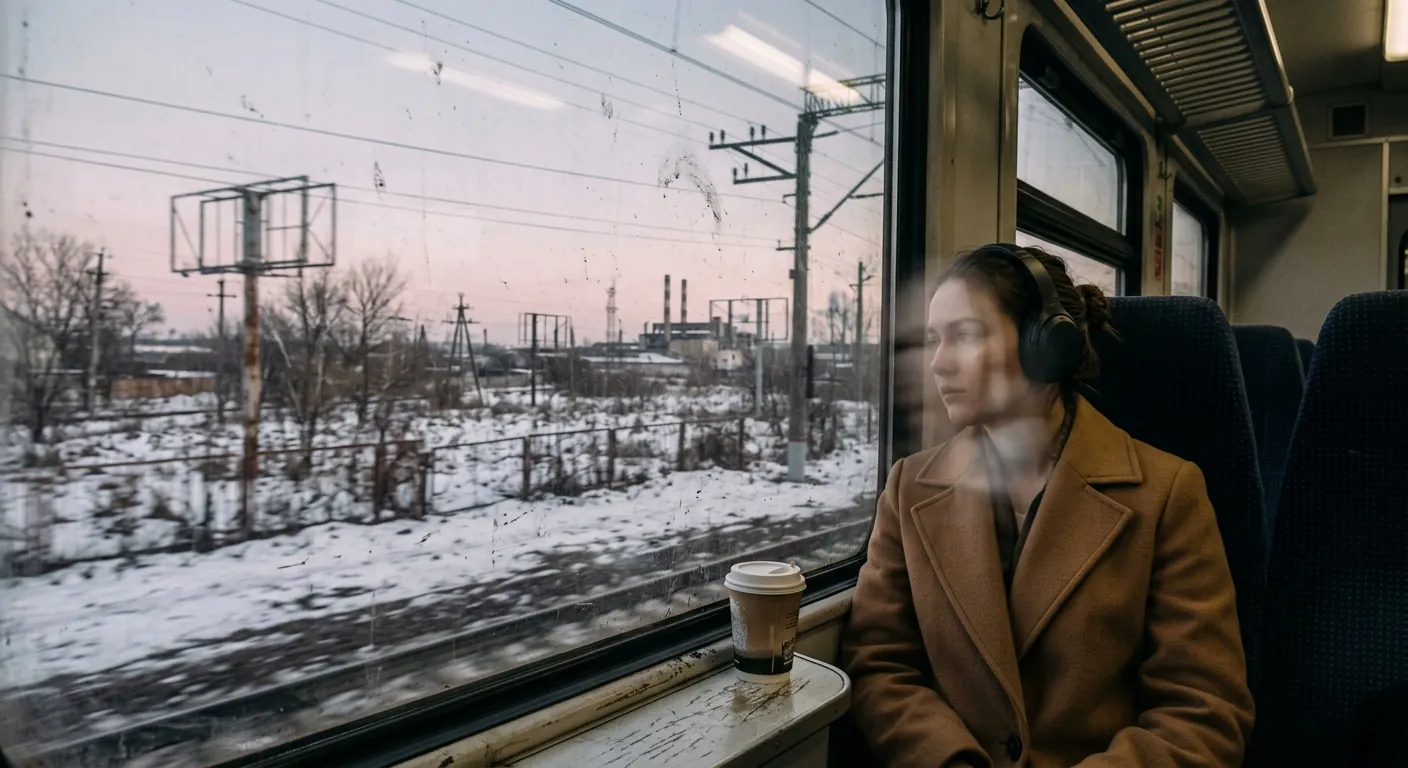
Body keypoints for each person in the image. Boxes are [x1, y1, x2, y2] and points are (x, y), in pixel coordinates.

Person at [841, 244, 1254, 767]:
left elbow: (1202, 710)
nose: (938, 363)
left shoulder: (1167, 494)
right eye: (933, 340)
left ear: (1048, 342)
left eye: (965, 335)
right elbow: (878, 664)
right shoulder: (910, 488)